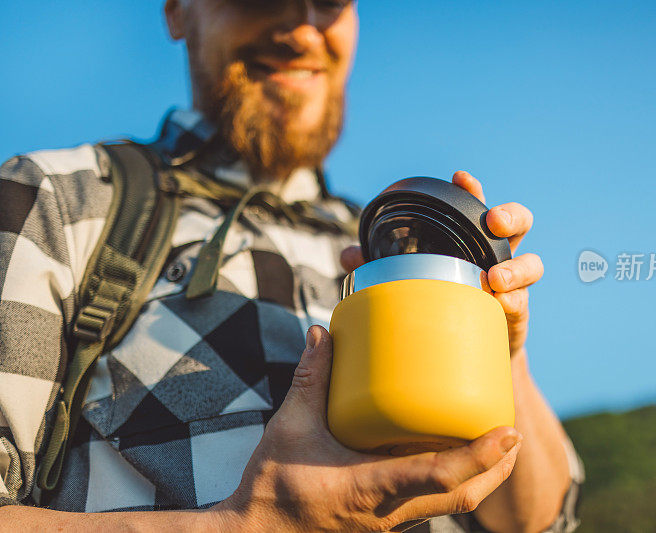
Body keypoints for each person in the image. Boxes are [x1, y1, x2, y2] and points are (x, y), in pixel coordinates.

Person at [0, 1, 582, 531]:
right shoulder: (58, 199)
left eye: (330, 2)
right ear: (177, 11)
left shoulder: (388, 248)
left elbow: (538, 523)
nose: (302, 28)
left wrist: (502, 353)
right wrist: (247, 526)